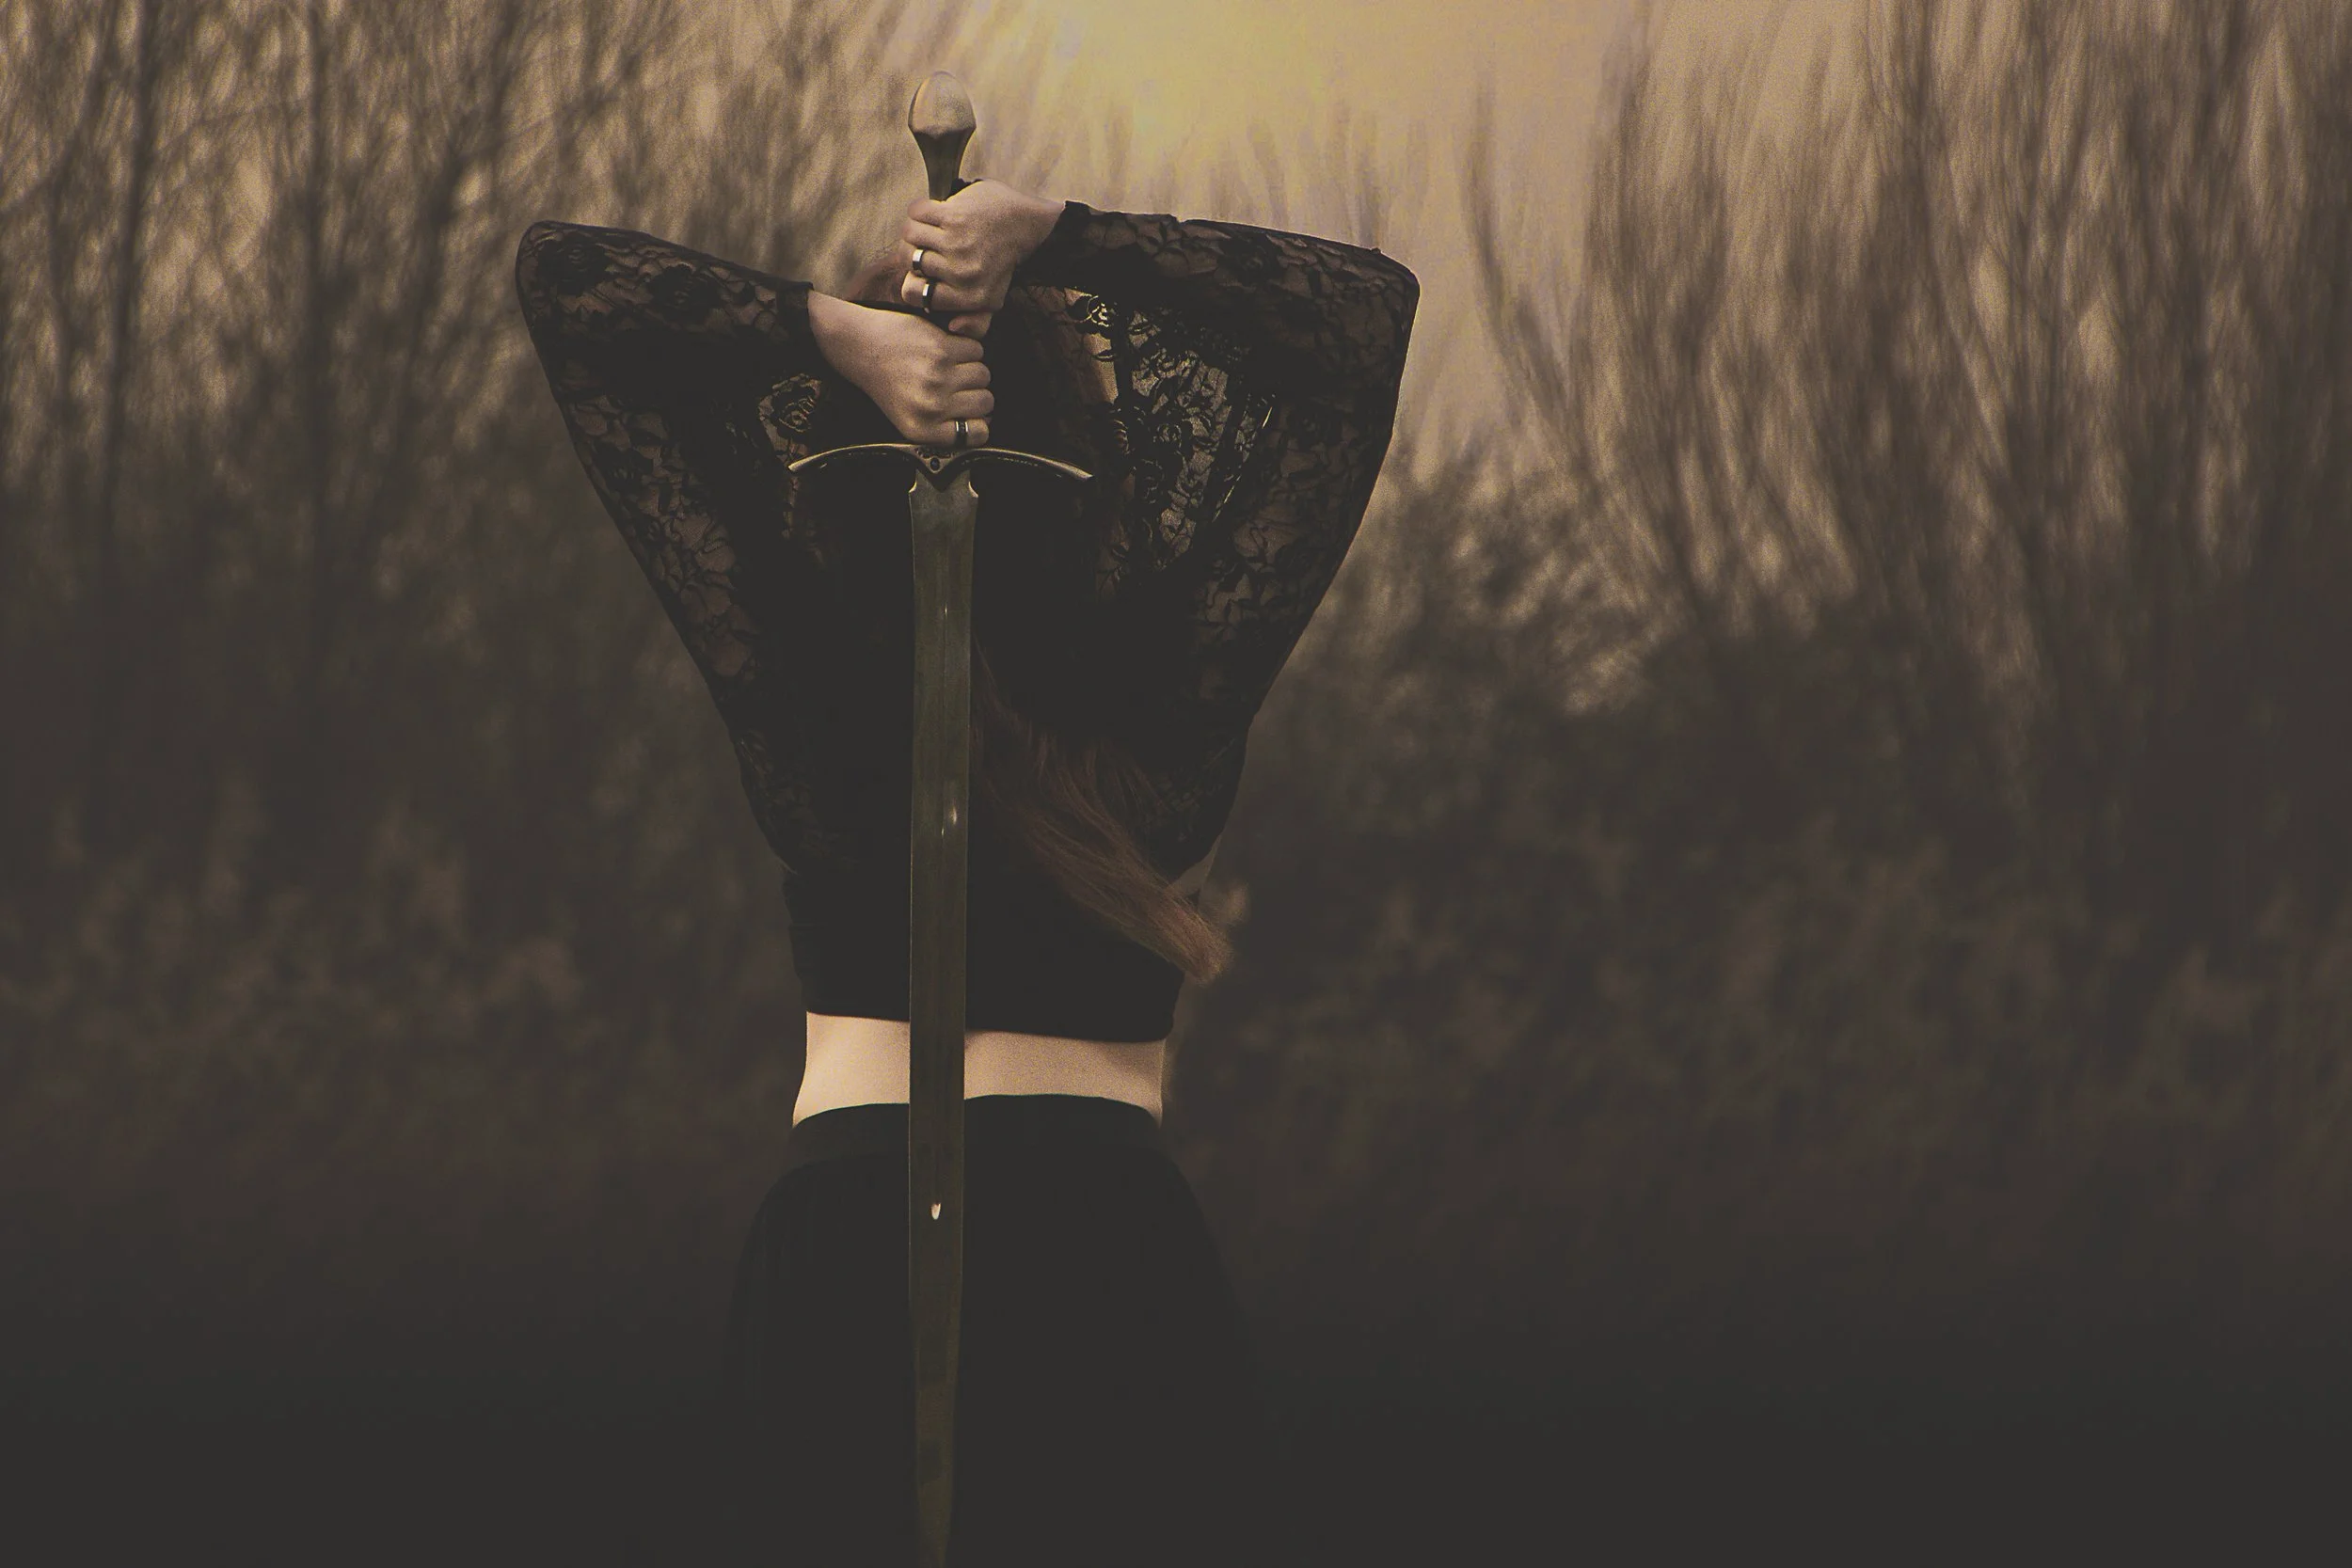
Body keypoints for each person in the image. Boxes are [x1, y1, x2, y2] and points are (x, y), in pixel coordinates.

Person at [514, 172, 1418, 1565]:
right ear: (1094, 454)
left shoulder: (806, 668)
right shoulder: (1159, 688)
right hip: (1100, 1249)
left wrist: (832, 333)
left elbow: (570, 289)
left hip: (857, 1242)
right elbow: (1361, 324)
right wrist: (1051, 235)